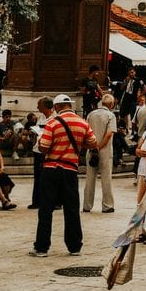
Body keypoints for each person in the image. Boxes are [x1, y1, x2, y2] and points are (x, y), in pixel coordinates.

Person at [32, 94, 95, 256]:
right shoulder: (83, 123)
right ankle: (74, 246)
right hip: (70, 170)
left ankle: (42, 247)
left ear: (57, 107)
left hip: (51, 168)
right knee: (71, 208)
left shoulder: (52, 123)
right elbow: (93, 142)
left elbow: (44, 147)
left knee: (46, 208)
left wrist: (40, 142)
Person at [84, 93, 118, 213]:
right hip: (105, 150)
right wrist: (99, 147)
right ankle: (107, 205)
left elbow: (86, 132)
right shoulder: (111, 115)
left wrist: (92, 146)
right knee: (106, 178)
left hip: (91, 149)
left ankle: (87, 205)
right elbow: (109, 134)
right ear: (111, 104)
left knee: (89, 178)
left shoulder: (90, 114)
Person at [26, 96, 56, 209]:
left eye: (39, 105)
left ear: (45, 106)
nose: (37, 107)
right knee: (38, 176)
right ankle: (37, 201)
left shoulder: (55, 118)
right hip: (38, 149)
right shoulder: (41, 117)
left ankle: (53, 201)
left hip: (49, 150)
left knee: (50, 177)